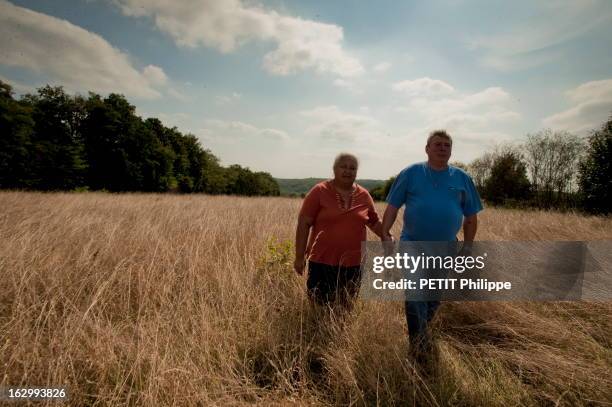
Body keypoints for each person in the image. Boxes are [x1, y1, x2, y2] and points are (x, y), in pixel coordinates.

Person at [381, 130, 483, 360]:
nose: (442, 148)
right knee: (415, 293)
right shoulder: (411, 173)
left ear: (451, 150)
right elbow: (393, 207)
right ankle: (418, 347)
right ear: (427, 148)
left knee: (433, 297)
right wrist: (385, 232)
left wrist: (467, 246)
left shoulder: (462, 178)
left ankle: (421, 332)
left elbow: (471, 217)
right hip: (413, 244)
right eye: (437, 144)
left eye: (447, 145)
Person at [294, 153, 386, 307]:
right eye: (343, 166)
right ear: (334, 169)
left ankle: (342, 332)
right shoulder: (319, 191)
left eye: (352, 168)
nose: (348, 171)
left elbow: (374, 222)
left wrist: (387, 234)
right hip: (321, 261)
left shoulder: (364, 195)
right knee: (319, 307)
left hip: (354, 263)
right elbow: (304, 224)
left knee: (346, 307)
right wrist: (299, 257)